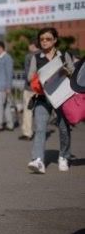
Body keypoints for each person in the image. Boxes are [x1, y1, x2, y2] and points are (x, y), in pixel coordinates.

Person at [26, 27, 74, 174]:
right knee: (40, 128)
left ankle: (63, 156)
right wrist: (37, 78)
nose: (44, 42)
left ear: (55, 40)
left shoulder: (64, 55)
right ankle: (38, 160)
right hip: (42, 98)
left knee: (64, 128)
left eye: (48, 39)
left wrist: (66, 72)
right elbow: (30, 77)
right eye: (42, 40)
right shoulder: (36, 57)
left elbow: (73, 73)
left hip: (61, 98)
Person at [20, 41, 39, 140]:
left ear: (32, 45)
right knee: (41, 112)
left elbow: (28, 74)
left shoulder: (29, 56)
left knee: (28, 111)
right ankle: (41, 133)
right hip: (42, 88)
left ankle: (27, 132)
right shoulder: (44, 55)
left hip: (30, 87)